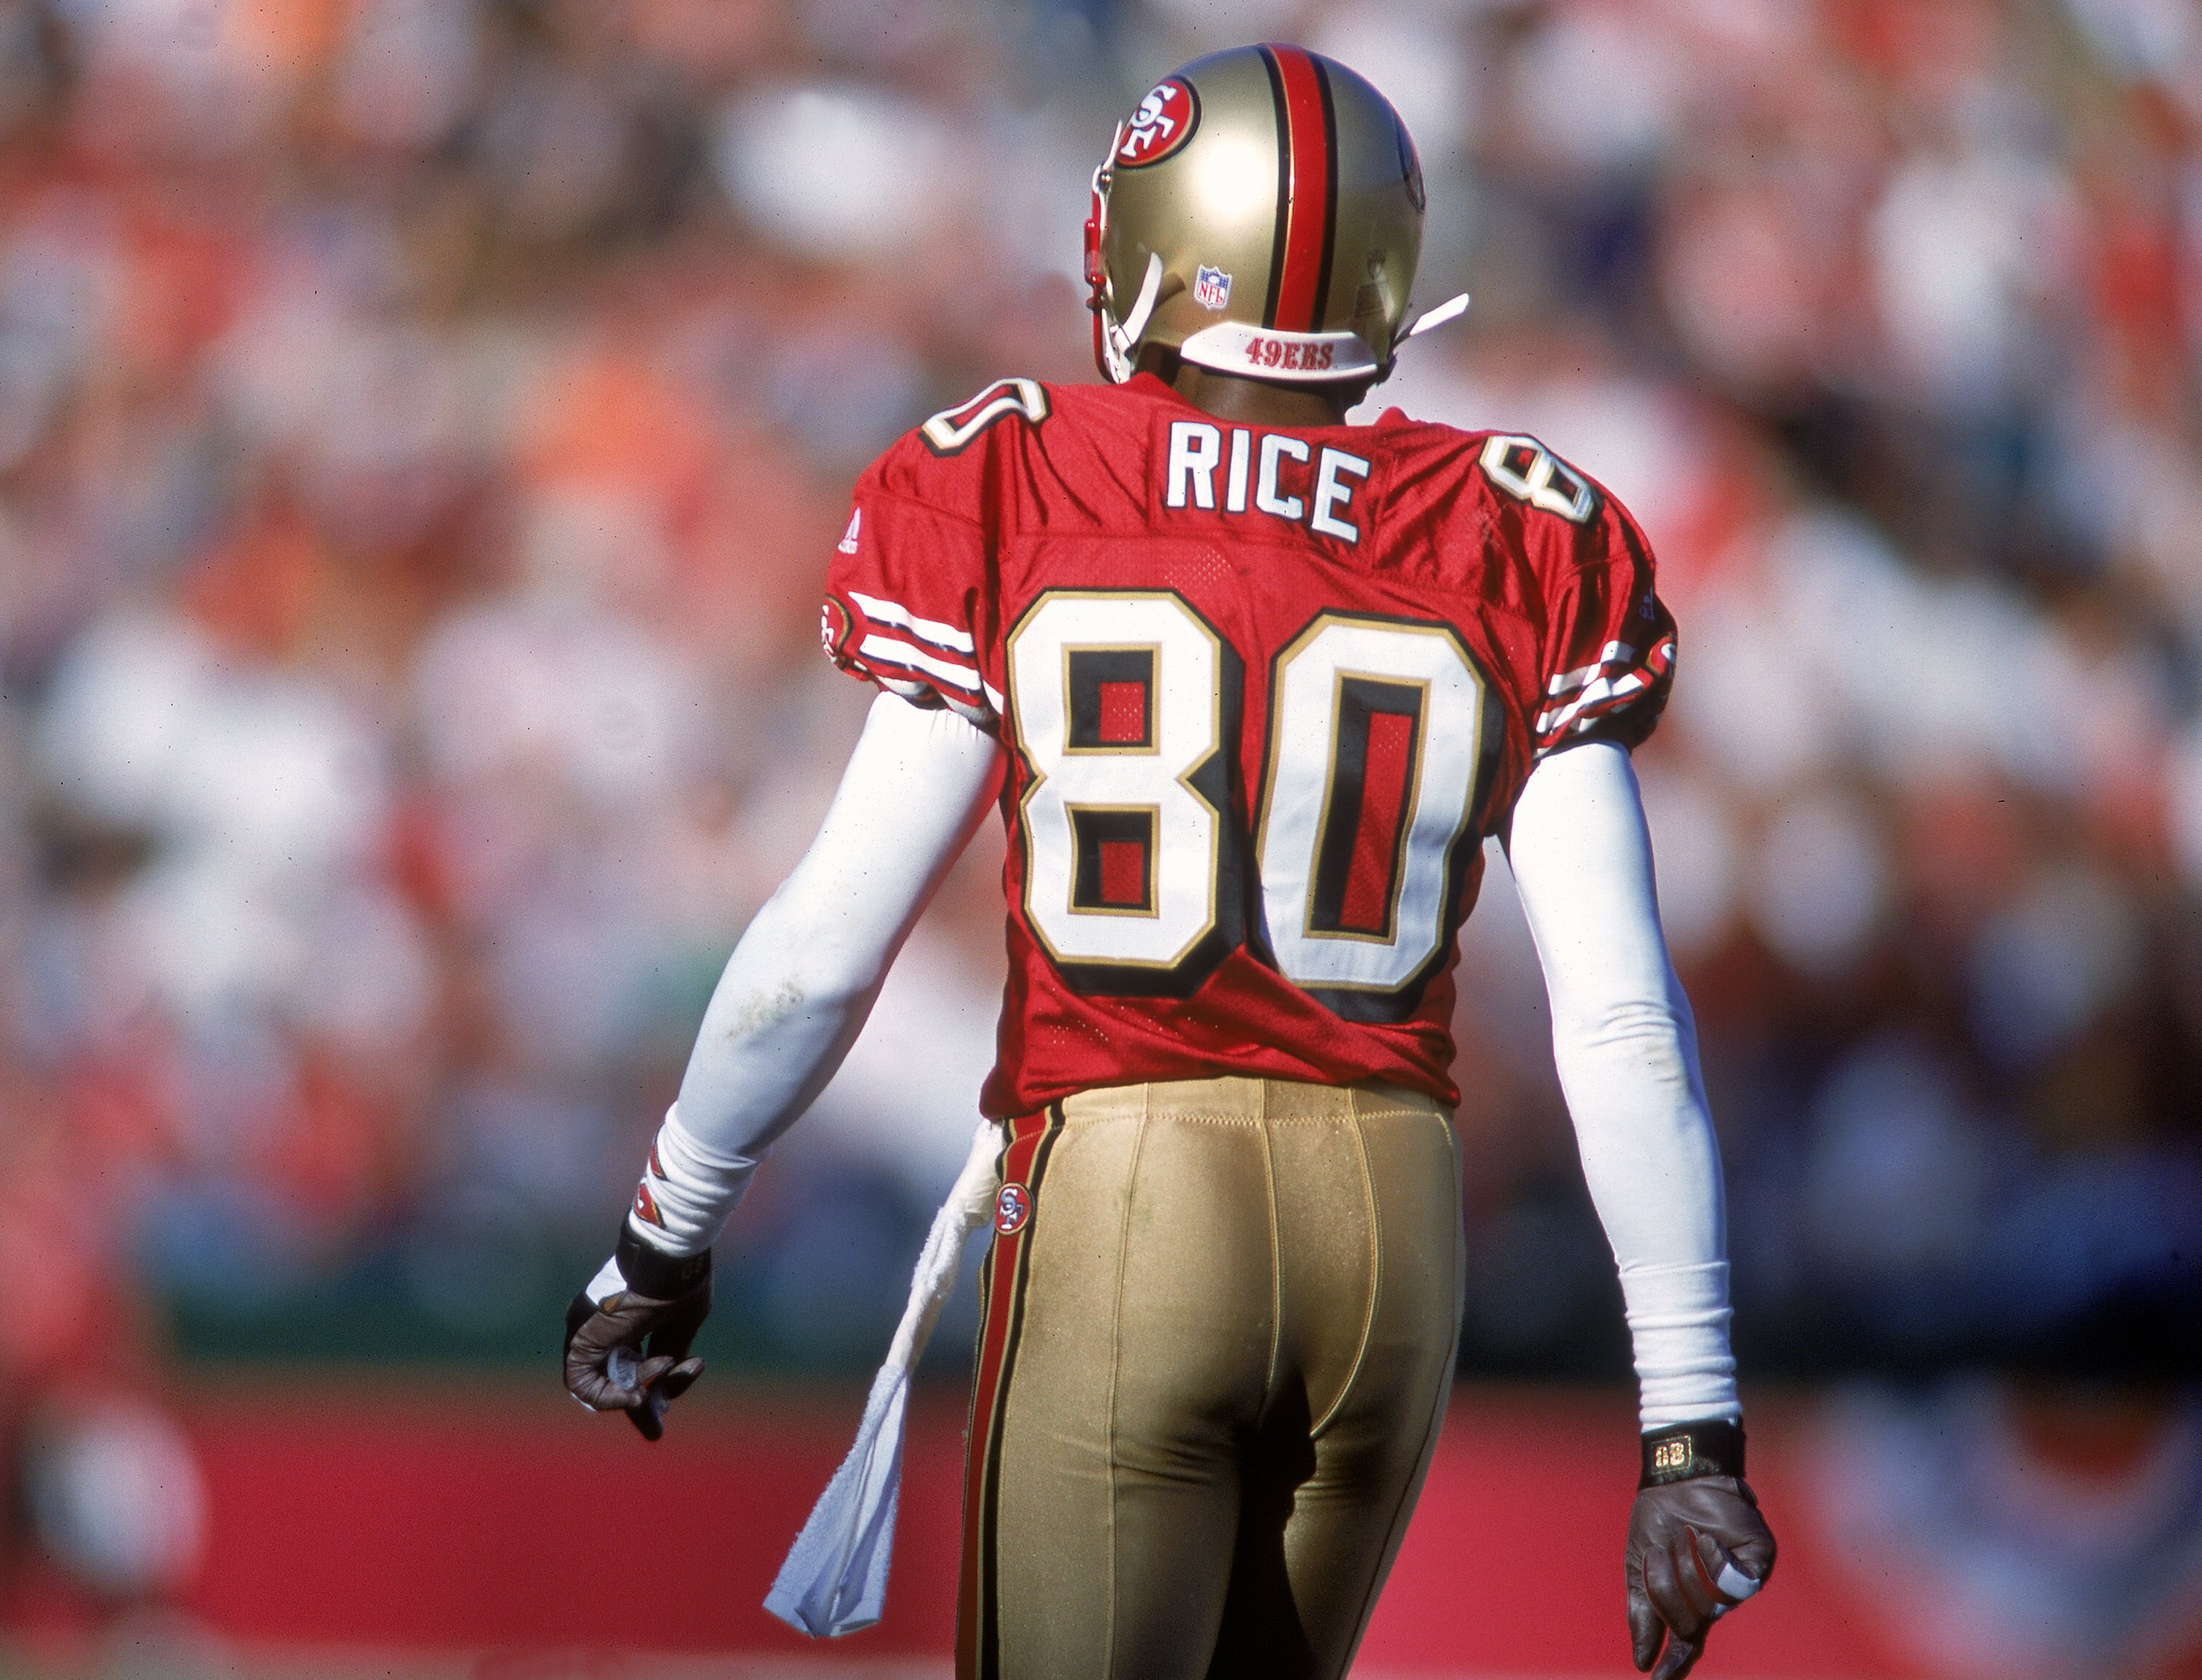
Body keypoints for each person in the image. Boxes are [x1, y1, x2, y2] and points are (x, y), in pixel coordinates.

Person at [564, 42, 1776, 1680]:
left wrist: (666, 1228)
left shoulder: (1011, 473)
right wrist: (1688, 1430)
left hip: (1130, 1188)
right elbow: (1621, 1020)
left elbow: (819, 950)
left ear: (1139, 245)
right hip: (1395, 1221)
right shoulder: (1518, 523)